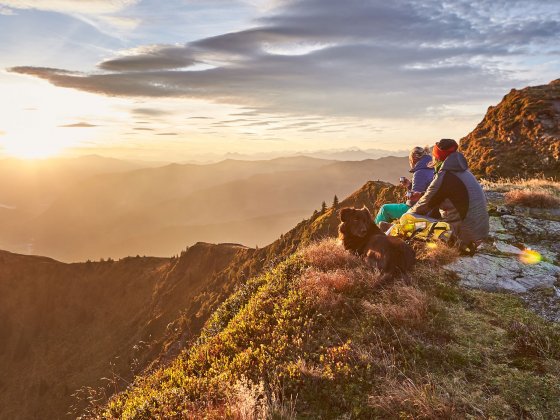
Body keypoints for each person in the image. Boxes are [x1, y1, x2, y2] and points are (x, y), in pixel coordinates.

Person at [408, 138, 489, 252]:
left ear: (438, 158)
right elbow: (445, 194)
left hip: (463, 238)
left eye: (434, 156)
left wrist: (405, 216)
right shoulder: (465, 172)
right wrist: (422, 194)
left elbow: (421, 207)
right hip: (479, 233)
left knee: (409, 218)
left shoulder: (444, 176)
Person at [374, 146, 434, 227]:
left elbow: (414, 199)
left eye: (410, 160)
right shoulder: (432, 168)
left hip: (418, 210)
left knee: (385, 209)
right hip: (430, 208)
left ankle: (375, 232)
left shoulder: (419, 172)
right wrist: (409, 185)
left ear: (413, 159)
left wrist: (409, 195)